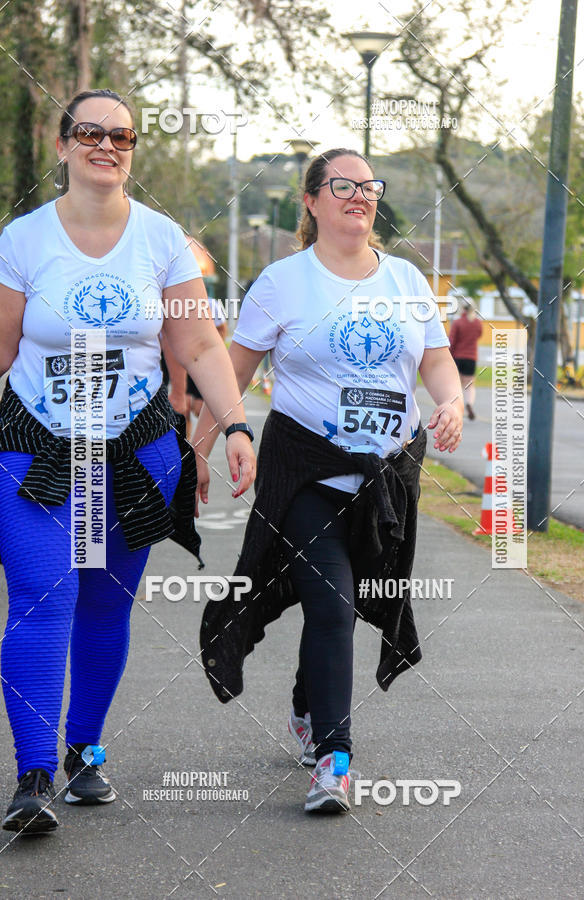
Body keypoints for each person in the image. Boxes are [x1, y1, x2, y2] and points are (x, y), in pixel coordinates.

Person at [0, 88, 256, 835]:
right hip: (36, 447)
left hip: (136, 455)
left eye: (121, 135)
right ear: (62, 145)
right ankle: (33, 775)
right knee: (44, 597)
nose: (105, 146)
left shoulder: (162, 239)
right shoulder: (22, 240)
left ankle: (84, 752)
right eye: (89, 132)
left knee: (106, 605)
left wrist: (233, 424)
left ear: (132, 149)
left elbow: (201, 344)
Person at [192, 148, 463, 814]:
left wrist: (450, 401)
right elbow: (235, 368)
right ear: (311, 201)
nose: (358, 195)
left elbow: (435, 359)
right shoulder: (284, 282)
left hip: (388, 478)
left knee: (345, 601)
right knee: (333, 605)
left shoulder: (404, 279)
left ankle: (308, 703)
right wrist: (207, 444)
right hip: (306, 469)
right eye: (342, 185)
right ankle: (335, 763)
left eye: (369, 186)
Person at [162, 240, 229, 437]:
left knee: (198, 408)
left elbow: (221, 331)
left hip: (198, 360)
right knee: (178, 409)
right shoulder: (164, 304)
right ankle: (186, 446)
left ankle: (195, 447)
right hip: (171, 360)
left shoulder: (211, 304)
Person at [449, 300, 483, 419]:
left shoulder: (457, 322)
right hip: (471, 358)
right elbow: (479, 335)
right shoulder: (478, 323)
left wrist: (449, 355)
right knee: (469, 384)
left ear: (462, 308)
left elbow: (452, 340)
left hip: (458, 356)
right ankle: (469, 404)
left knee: (456, 384)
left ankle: (458, 408)